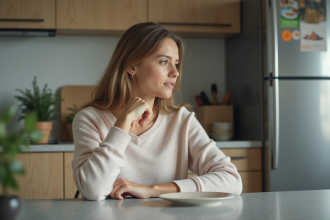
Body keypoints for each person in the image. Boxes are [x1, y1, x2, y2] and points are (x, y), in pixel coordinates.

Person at [72, 22, 242, 201]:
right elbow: (93, 190)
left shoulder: (181, 120)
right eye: (164, 62)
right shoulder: (89, 119)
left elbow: (232, 180)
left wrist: (153, 190)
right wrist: (123, 122)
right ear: (132, 66)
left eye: (176, 63)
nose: (175, 72)